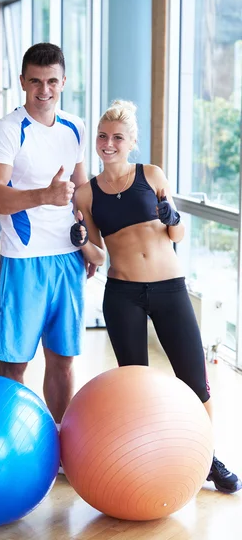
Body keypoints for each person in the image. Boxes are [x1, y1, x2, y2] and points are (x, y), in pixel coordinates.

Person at [71, 99, 242, 494]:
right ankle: (147, 459)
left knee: (194, 380)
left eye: (117, 137)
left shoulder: (151, 174)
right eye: (102, 136)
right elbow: (97, 253)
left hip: (170, 289)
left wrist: (173, 218)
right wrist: (80, 241)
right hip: (122, 294)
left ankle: (207, 459)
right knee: (137, 384)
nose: (108, 143)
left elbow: (176, 234)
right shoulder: (86, 195)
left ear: (131, 142)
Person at [0, 43, 103, 431]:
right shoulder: (6, 130)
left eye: (52, 81)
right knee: (15, 361)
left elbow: (82, 190)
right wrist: (43, 196)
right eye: (35, 81)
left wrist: (89, 245)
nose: (44, 90)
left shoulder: (75, 126)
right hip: (24, 260)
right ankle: (3, 444)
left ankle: (61, 444)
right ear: (22, 82)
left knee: (63, 358)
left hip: (67, 257)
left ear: (63, 82)